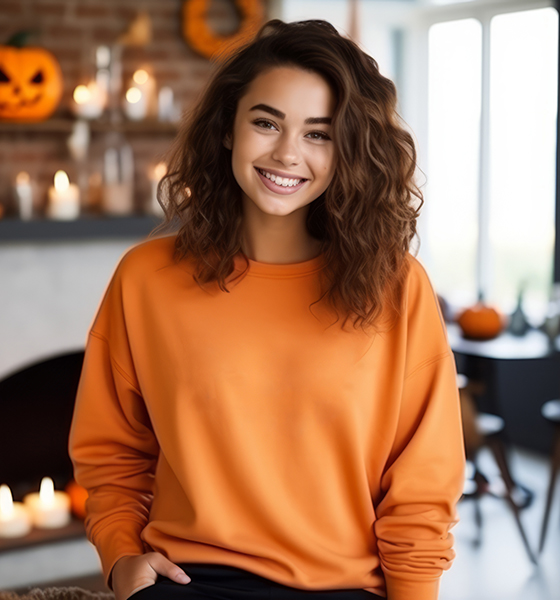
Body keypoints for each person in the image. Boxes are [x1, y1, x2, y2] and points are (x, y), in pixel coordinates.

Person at [68, 18, 465, 600]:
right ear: (229, 128)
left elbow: (421, 485)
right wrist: (121, 556)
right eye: (266, 122)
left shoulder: (397, 286)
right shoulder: (145, 278)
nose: (286, 153)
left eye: (318, 134)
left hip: (344, 589)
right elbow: (111, 449)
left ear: (347, 149)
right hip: (187, 582)